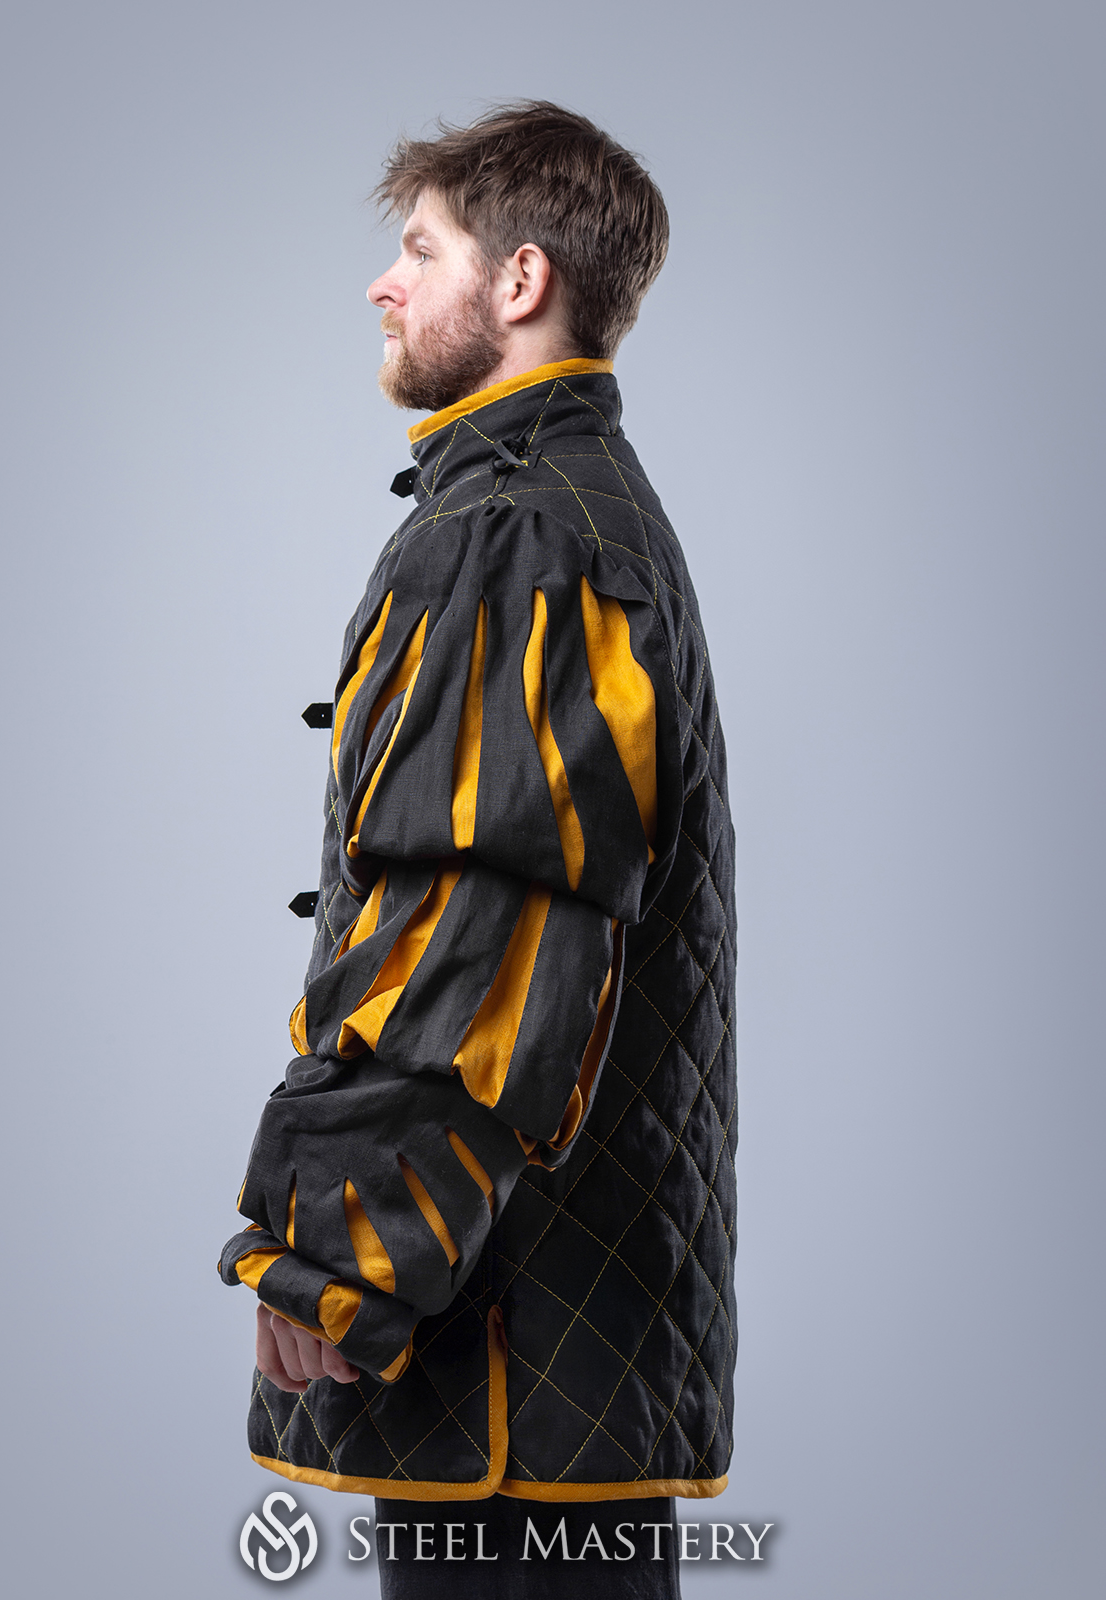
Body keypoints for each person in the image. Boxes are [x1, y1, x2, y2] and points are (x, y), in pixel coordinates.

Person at [219, 101, 737, 1598]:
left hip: (500, 1319)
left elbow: (478, 926)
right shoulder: (581, 515)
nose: (383, 284)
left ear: (519, 282)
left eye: (420, 249)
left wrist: (334, 1254)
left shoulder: (518, 537)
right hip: (569, 1314)